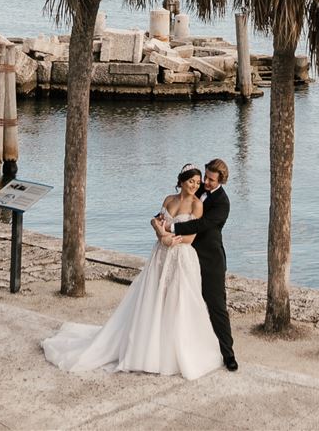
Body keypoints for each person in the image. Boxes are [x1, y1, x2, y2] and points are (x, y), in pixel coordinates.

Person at [41, 164, 225, 379]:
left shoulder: (196, 206)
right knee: (153, 298)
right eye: (191, 181)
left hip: (181, 257)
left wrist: (169, 239)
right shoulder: (169, 199)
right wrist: (160, 233)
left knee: (179, 301)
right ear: (181, 181)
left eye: (197, 182)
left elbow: (191, 238)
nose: (195, 185)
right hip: (160, 255)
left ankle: (175, 351)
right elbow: (157, 220)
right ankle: (147, 346)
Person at [166, 158, 236, 370]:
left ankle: (228, 354)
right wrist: (161, 223)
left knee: (216, 307)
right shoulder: (196, 190)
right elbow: (175, 210)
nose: (205, 182)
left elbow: (202, 224)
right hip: (185, 256)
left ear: (221, 180)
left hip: (209, 260)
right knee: (179, 303)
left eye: (211, 179)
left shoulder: (223, 203)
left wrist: (173, 230)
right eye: (205, 177)